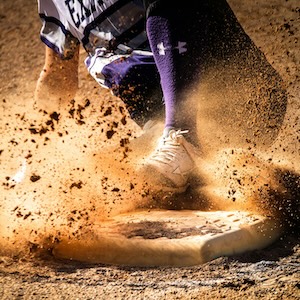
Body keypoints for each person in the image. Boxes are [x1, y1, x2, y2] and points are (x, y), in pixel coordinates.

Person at [36, 0, 287, 193]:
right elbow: (58, 76)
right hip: (158, 126)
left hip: (246, 100)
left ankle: (183, 141)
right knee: (97, 178)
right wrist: (41, 155)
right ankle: (189, 168)